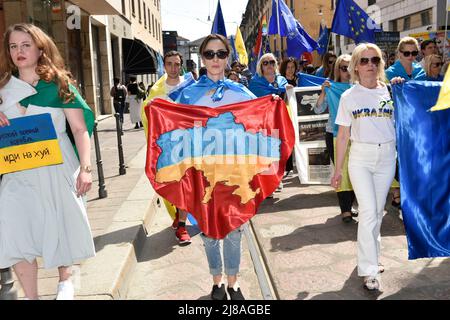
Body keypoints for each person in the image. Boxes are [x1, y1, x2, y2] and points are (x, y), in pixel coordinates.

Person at [0, 23, 95, 300]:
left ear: (41, 48)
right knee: (14, 229)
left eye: (26, 45)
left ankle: (65, 286)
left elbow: (79, 129)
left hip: (57, 167)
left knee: (61, 223)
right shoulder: (2, 89)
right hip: (18, 171)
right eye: (13, 46)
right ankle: (32, 297)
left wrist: (86, 168)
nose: (19, 51)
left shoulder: (58, 84)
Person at [177, 34, 256, 300]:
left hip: (235, 171)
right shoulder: (188, 94)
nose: (215, 59)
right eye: (209, 54)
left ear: (228, 57)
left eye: (221, 54)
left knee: (235, 228)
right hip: (202, 173)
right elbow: (175, 128)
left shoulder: (240, 92)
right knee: (209, 232)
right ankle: (217, 281)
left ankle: (233, 282)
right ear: (202, 58)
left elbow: (259, 119)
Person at [331, 43, 396, 291]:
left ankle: (371, 257)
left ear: (380, 64)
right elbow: (343, 136)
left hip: (387, 156)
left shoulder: (391, 91)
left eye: (375, 60)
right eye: (365, 60)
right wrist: (338, 170)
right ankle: (369, 270)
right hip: (360, 158)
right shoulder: (349, 96)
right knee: (369, 210)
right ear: (356, 66)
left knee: (376, 211)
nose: (370, 65)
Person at [141, 50, 195, 245]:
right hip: (169, 144)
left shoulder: (190, 85)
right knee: (175, 182)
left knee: (189, 183)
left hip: (190, 142)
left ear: (181, 65)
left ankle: (182, 224)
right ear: (164, 66)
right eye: (169, 64)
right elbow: (147, 115)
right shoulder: (157, 90)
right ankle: (180, 220)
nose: (173, 67)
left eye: (176, 64)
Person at [314, 54, 357, 223]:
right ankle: (345, 209)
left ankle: (351, 204)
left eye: (350, 67)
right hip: (334, 133)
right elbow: (318, 110)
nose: (347, 71)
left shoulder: (359, 88)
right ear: (337, 69)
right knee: (340, 170)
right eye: (343, 68)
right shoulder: (331, 87)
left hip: (356, 135)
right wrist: (323, 93)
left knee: (354, 170)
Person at [279, 57, 298, 175]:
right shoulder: (280, 82)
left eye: (293, 67)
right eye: (288, 67)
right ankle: (288, 167)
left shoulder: (300, 80)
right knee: (287, 140)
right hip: (285, 115)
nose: (290, 70)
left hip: (298, 114)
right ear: (284, 69)